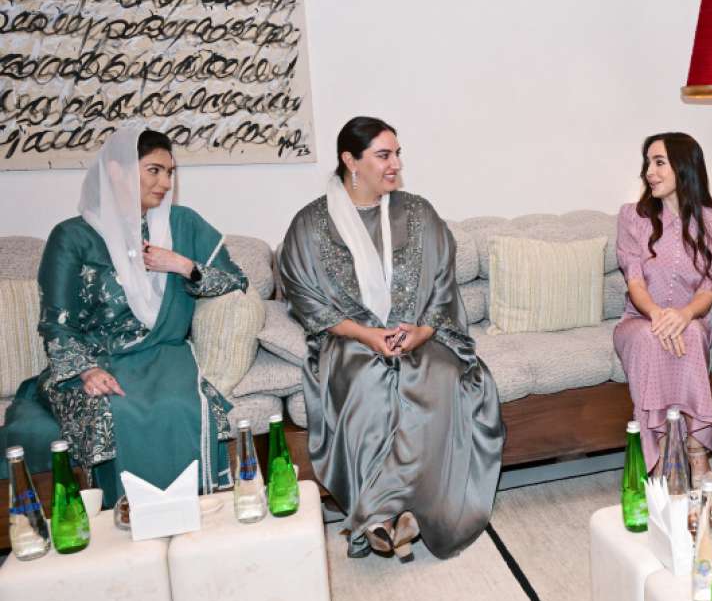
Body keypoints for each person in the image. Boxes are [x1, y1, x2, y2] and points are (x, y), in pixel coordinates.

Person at [278, 116, 504, 562]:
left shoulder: (419, 214)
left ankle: (403, 513)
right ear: (350, 161)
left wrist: (422, 331)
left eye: (397, 153)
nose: (395, 164)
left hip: (418, 334)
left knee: (440, 378)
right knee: (368, 386)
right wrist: (367, 334)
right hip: (350, 339)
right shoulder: (309, 224)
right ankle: (388, 514)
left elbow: (442, 285)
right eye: (384, 155)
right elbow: (305, 298)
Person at [4, 129, 248, 505]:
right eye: (154, 170)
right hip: (95, 361)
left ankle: (195, 515)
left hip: (163, 355)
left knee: (182, 406)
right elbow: (56, 322)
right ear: (116, 172)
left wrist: (182, 265)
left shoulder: (182, 225)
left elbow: (236, 281)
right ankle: (122, 518)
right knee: (112, 410)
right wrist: (86, 371)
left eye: (170, 172)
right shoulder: (73, 237)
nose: (165, 183)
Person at [614, 132, 712, 477]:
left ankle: (697, 451)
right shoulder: (633, 218)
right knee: (648, 337)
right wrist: (657, 315)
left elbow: (708, 290)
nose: (649, 173)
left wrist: (684, 315)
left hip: (689, 317)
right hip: (640, 319)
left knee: (694, 333)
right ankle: (658, 455)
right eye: (647, 164)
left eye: (659, 163)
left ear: (684, 168)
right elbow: (635, 283)